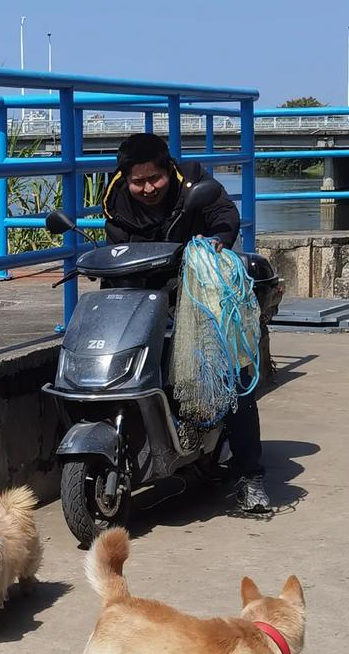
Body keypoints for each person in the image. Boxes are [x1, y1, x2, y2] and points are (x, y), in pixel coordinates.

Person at [102, 132, 270, 512]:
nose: (147, 188)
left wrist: (217, 240)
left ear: (169, 170)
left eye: (154, 179)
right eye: (138, 181)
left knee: (232, 373)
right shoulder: (114, 199)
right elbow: (117, 246)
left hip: (197, 291)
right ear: (125, 178)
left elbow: (225, 215)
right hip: (143, 292)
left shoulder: (193, 180)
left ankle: (250, 474)